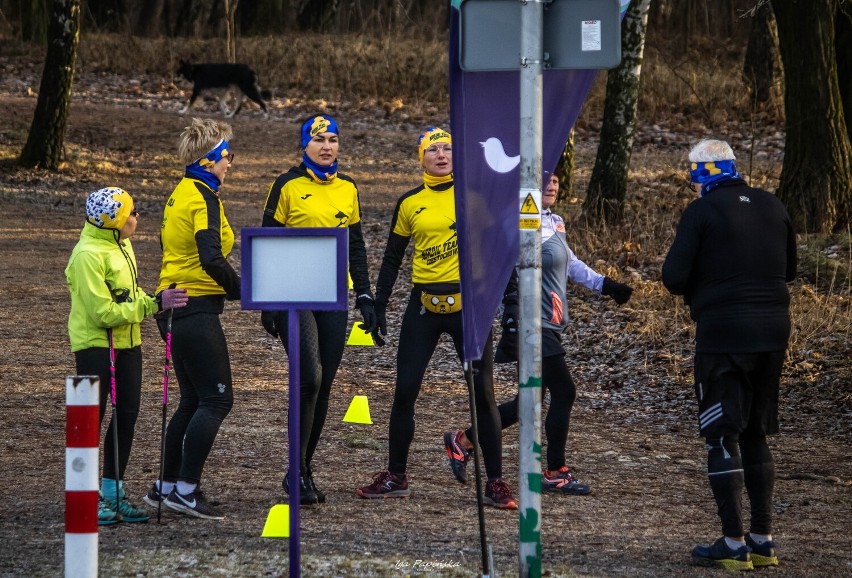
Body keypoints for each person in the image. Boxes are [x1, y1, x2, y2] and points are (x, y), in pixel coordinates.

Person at [443, 172, 633, 495]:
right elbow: (501, 266)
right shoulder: (516, 221)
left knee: (525, 404)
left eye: (557, 179)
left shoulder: (554, 221)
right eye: (545, 178)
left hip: (552, 322)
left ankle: (461, 441)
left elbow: (570, 264)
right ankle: (556, 471)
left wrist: (605, 285)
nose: (553, 184)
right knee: (565, 392)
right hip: (534, 323)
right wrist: (511, 315)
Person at [356, 127, 516, 509]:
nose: (442, 155)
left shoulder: (474, 197)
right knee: (405, 391)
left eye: (447, 148)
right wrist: (378, 307)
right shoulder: (410, 202)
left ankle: (494, 482)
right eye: (433, 150)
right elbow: (393, 257)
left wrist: (510, 302)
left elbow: (499, 251)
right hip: (423, 307)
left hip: (469, 307)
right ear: (421, 158)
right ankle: (395, 476)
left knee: (484, 396)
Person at [662, 139, 796, 571]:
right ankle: (763, 538)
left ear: (702, 173)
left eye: (690, 171)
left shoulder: (701, 212)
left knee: (722, 434)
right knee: (756, 433)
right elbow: (790, 270)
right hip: (774, 332)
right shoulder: (773, 204)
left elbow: (674, 277)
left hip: (723, 335)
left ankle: (733, 542)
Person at [260, 114, 376, 505]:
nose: (327, 146)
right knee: (308, 378)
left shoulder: (348, 188)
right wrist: (268, 301)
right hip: (294, 295)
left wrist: (365, 296)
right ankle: (297, 470)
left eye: (333, 139)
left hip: (334, 296)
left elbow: (356, 247)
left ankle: (302, 469)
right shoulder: (287, 185)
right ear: (304, 145)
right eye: (319, 139)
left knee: (323, 385)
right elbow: (265, 242)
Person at [66, 187, 188, 525]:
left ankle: (112, 491)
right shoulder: (87, 255)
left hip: (127, 342)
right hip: (95, 344)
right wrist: (152, 304)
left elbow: (126, 295)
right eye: (131, 213)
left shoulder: (121, 244)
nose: (137, 218)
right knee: (94, 417)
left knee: (127, 415)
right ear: (113, 221)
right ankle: (87, 496)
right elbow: (103, 312)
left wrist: (153, 298)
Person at [142, 118, 241, 520]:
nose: (230, 163)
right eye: (226, 157)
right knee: (218, 399)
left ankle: (165, 487)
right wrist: (242, 291)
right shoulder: (203, 198)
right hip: (194, 308)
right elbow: (210, 256)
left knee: (192, 400)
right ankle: (184, 490)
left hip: (175, 309)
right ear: (208, 160)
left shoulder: (181, 191)